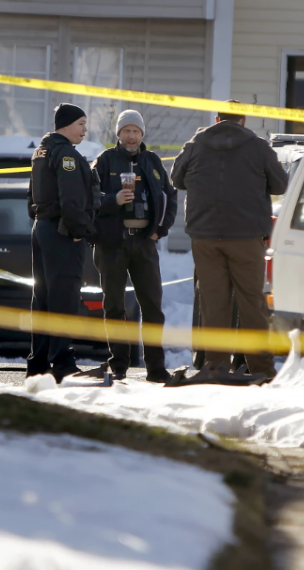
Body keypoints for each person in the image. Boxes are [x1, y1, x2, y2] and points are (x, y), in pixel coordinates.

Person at [171, 101, 288, 377]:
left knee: (214, 303)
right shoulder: (259, 147)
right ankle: (261, 369)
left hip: (205, 237)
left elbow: (176, 179)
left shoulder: (196, 144)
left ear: (217, 118)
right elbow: (281, 185)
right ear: (243, 120)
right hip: (247, 236)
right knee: (252, 304)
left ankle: (216, 366)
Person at [92, 110, 177, 382]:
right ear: (119, 134)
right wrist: (112, 200)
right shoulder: (105, 161)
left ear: (142, 134)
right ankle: (119, 365)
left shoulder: (152, 162)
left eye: (135, 131)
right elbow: (89, 198)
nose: (131, 136)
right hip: (112, 244)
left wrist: (159, 231)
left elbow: (170, 197)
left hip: (144, 244)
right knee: (115, 307)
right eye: (126, 131)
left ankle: (156, 369)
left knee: (153, 308)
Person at [26, 103, 99, 382]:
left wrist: (39, 219)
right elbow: (71, 199)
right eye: (81, 124)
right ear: (66, 125)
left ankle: (39, 363)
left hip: (42, 228)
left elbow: (31, 195)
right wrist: (79, 231)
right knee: (64, 296)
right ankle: (63, 362)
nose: (85, 129)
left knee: (42, 297)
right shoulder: (66, 154)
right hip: (62, 232)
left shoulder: (41, 152)